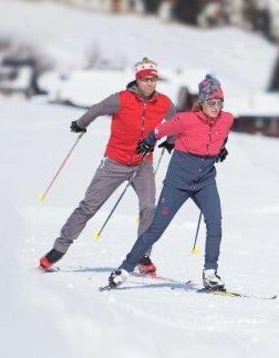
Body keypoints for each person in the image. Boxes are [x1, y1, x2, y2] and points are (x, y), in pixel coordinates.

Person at [38, 57, 176, 275]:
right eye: (145, 79)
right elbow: (97, 109)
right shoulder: (121, 99)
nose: (150, 83)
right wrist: (81, 123)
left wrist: (171, 140)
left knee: (149, 208)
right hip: (115, 163)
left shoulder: (165, 103)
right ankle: (58, 249)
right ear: (137, 80)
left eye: (153, 80)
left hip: (143, 165)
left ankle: (143, 255)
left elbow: (174, 121)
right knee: (88, 207)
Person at [106, 74, 233, 291]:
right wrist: (147, 142)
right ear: (201, 103)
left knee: (215, 222)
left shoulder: (227, 118)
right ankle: (124, 269)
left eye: (220, 103)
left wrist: (220, 148)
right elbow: (157, 131)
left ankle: (210, 272)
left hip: (205, 182)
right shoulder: (185, 120)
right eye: (211, 102)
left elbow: (222, 134)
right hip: (178, 183)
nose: (216, 107)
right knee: (156, 229)